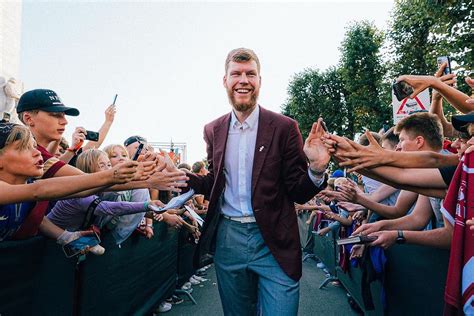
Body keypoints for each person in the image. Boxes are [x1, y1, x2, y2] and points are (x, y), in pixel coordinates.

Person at [164, 48, 330, 315]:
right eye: (236, 74)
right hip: (229, 240)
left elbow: (298, 191)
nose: (243, 80)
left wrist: (317, 169)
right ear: (225, 81)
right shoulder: (213, 130)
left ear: (260, 81)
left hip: (275, 240)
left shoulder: (285, 127)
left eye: (250, 74)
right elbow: (215, 181)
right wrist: (178, 177)